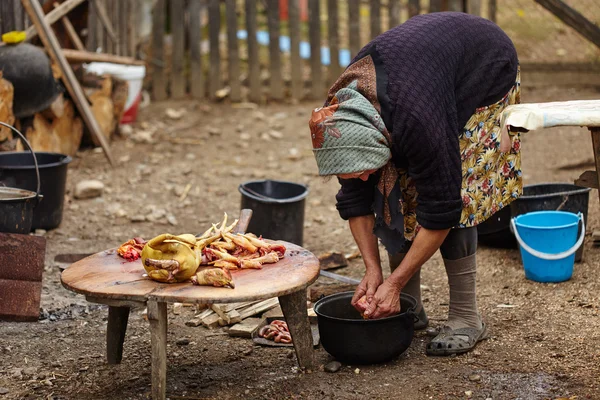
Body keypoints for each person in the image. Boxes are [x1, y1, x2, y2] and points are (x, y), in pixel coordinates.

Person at [308, 12, 521, 356]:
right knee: (388, 188)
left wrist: (394, 281)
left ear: (377, 142)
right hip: (421, 79)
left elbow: (443, 208)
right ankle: (409, 306)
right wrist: (373, 270)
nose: (359, 178)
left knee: (456, 194)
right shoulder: (339, 123)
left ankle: (466, 316)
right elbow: (355, 197)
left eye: (362, 169)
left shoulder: (417, 121)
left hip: (483, 68)